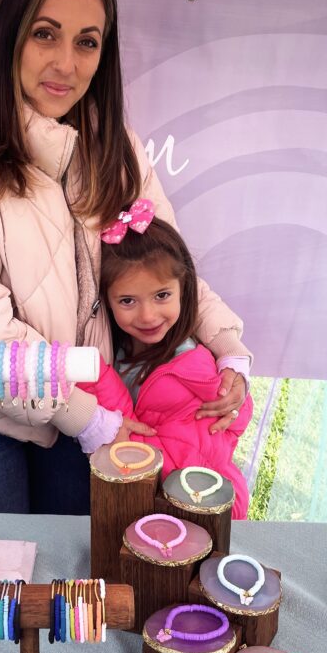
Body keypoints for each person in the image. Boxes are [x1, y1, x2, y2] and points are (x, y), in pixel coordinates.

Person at [0, 0, 252, 514]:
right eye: (45, 34)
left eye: (87, 41)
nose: (66, 62)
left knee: (78, 582)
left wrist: (231, 353)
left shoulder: (114, 147)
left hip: (90, 411)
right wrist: (88, 417)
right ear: (9, 36)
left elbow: (169, 264)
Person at [78, 206, 254, 517]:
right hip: (135, 498)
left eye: (162, 296)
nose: (147, 316)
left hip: (193, 501)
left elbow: (222, 425)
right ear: (105, 300)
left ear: (184, 290)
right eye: (128, 301)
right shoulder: (112, 351)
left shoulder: (192, 362)